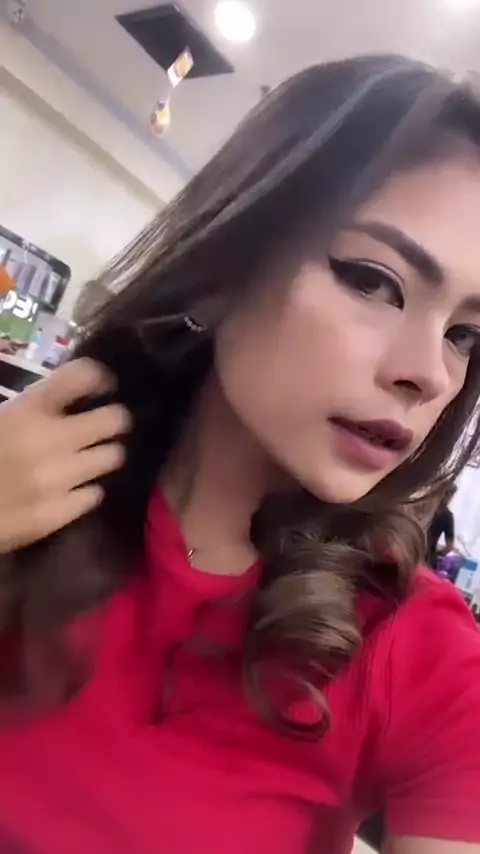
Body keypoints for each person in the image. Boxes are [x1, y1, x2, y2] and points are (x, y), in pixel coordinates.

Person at [2, 54, 480, 854]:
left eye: (465, 334)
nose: (428, 372)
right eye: (374, 281)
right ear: (227, 268)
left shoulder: (420, 651)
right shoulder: (26, 493)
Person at [426, 485, 456, 568]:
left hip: (410, 550)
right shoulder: (447, 516)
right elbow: (449, 546)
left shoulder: (422, 508)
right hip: (427, 557)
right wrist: (439, 553)